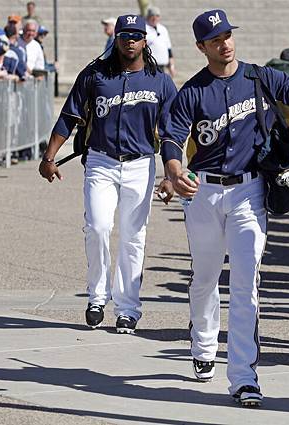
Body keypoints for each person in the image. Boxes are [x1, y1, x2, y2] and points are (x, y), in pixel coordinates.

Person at [162, 9, 289, 407]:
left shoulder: (257, 76)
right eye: (216, 39)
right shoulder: (193, 91)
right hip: (204, 193)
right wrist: (173, 169)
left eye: (228, 35)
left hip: (248, 191)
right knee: (204, 277)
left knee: (245, 285)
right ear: (202, 47)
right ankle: (203, 346)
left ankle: (243, 377)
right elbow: (172, 136)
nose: (225, 43)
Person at [39, 14, 176, 335]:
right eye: (124, 35)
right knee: (98, 227)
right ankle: (97, 298)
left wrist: (170, 174)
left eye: (136, 36)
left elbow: (172, 132)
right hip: (100, 161)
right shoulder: (95, 74)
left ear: (146, 41)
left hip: (141, 164)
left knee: (133, 238)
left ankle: (128, 309)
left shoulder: (160, 81)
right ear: (115, 39)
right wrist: (49, 156)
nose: (130, 41)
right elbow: (68, 115)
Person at [145, 6, 175, 76]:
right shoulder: (144, 29)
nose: (155, 18)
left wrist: (171, 65)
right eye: (152, 15)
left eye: (157, 16)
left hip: (162, 66)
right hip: (150, 65)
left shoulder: (163, 29)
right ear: (148, 17)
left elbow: (168, 48)